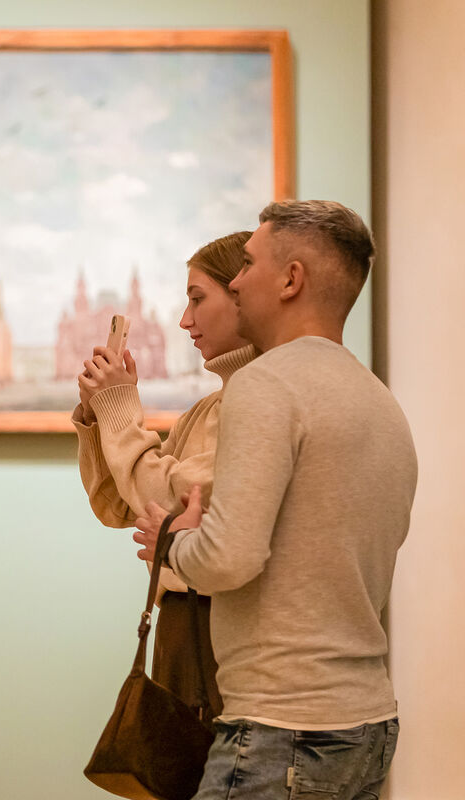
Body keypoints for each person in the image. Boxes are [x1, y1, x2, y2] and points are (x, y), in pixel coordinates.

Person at [133, 200, 417, 800]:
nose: (236, 282)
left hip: (281, 730)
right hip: (366, 723)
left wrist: (173, 542)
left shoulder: (266, 384)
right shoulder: (378, 399)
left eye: (248, 264)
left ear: (291, 280)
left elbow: (227, 559)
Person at [74, 230, 256, 720]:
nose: (184, 320)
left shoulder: (261, 404)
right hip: (183, 626)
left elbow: (174, 498)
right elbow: (120, 504)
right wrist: (97, 415)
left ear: (244, 295)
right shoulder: (208, 408)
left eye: (197, 299)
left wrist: (119, 405)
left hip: (218, 631)